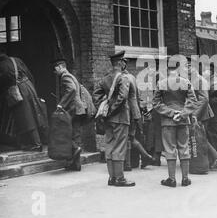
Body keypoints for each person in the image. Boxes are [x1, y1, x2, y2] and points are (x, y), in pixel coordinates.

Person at [93, 51, 135, 187]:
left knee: (109, 146)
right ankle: (120, 178)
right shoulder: (123, 78)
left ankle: (111, 178)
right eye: (124, 62)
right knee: (120, 147)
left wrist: (105, 108)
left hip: (107, 119)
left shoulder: (105, 78)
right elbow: (123, 97)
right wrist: (113, 110)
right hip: (121, 117)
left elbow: (96, 96)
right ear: (121, 63)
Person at [153, 61, 197, 188]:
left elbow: (156, 103)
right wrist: (182, 113)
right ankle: (185, 178)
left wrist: (171, 113)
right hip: (183, 120)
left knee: (169, 149)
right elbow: (193, 101)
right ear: (178, 69)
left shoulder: (161, 83)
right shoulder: (186, 82)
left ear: (167, 69)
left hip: (168, 121)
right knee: (184, 147)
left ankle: (171, 179)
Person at [0, 48, 47, 151]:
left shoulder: (1, 65)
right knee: (34, 115)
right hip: (29, 86)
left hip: (19, 91)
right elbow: (30, 75)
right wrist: (32, 89)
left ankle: (36, 144)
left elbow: (3, 82)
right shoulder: (16, 60)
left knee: (26, 118)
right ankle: (27, 142)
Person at [187, 60, 217, 169]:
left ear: (194, 68)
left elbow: (204, 99)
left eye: (189, 67)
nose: (186, 70)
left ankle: (216, 156)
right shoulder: (193, 80)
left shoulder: (199, 80)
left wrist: (195, 115)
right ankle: (212, 157)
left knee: (200, 137)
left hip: (202, 114)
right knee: (200, 137)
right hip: (197, 113)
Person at [52, 58, 85, 171]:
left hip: (72, 109)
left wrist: (61, 104)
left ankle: (75, 149)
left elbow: (71, 90)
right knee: (76, 135)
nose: (54, 72)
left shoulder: (65, 76)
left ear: (60, 67)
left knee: (65, 132)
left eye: (55, 69)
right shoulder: (71, 75)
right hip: (78, 109)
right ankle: (76, 164)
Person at [122, 58, 155, 170]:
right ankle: (143, 158)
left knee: (129, 137)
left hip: (128, 112)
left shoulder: (124, 78)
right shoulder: (132, 77)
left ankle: (130, 163)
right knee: (134, 136)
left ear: (123, 65)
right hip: (135, 112)